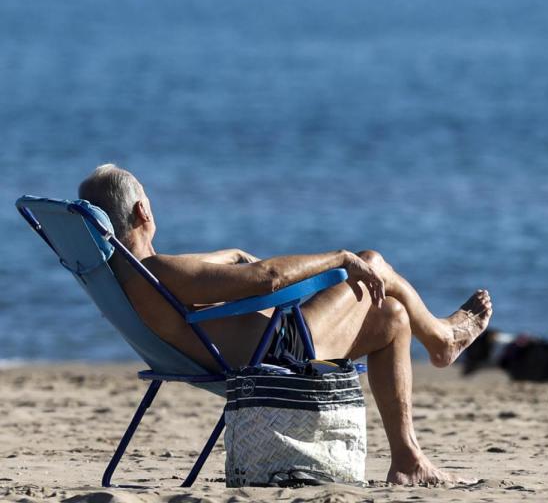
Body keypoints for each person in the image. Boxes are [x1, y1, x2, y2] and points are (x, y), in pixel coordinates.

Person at [78, 164, 494, 484]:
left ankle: (408, 461)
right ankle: (441, 339)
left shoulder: (127, 275)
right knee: (371, 262)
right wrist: (339, 258)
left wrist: (233, 256)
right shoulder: (159, 271)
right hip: (279, 348)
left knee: (391, 316)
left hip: (237, 349)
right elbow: (267, 279)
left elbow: (224, 266)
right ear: (142, 210)